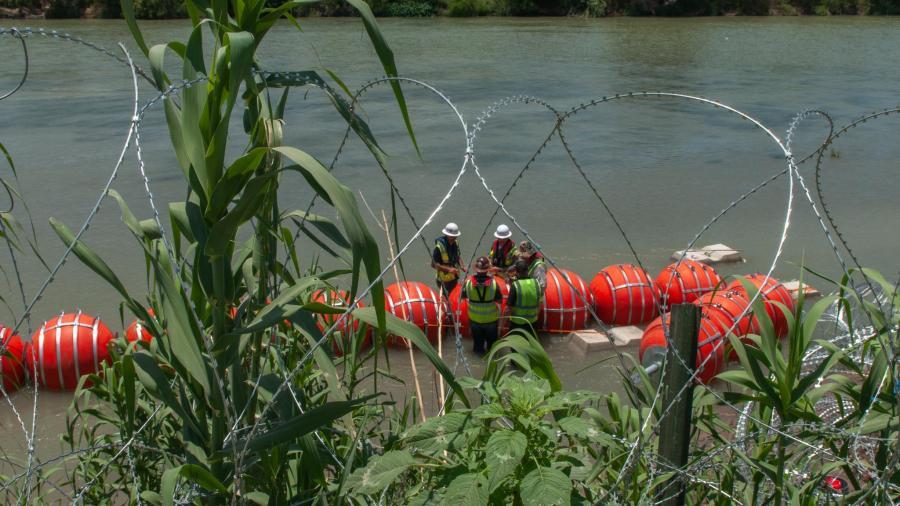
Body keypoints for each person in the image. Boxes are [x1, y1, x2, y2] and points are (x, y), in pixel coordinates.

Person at [461, 256, 503, 354]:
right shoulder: (494, 283)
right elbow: (500, 301)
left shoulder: (467, 284)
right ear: (488, 269)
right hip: (491, 321)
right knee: (492, 349)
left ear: (476, 269)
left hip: (475, 321)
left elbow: (462, 297)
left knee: (478, 347)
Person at [505, 260, 542, 336]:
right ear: (527, 270)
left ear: (516, 272)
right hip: (532, 324)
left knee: (516, 346)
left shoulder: (516, 285)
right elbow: (540, 304)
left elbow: (508, 309)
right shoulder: (536, 283)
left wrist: (502, 325)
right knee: (530, 346)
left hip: (517, 324)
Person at [431, 222, 465, 296]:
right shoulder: (439, 247)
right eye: (452, 236)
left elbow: (457, 256)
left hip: (454, 278)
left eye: (455, 236)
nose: (454, 238)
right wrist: (449, 270)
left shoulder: (455, 243)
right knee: (446, 299)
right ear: (447, 235)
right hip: (443, 280)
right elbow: (434, 265)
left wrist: (462, 265)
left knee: (454, 296)